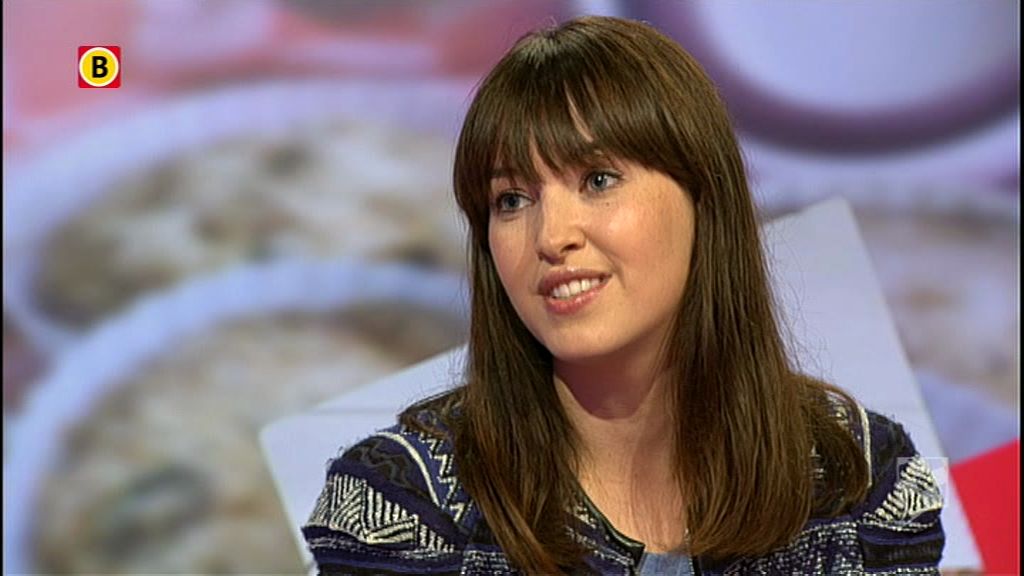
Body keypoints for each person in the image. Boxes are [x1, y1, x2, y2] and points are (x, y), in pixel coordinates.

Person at [302, 15, 945, 575]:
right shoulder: (406, 505)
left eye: (599, 180)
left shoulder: (857, 473)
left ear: (703, 196)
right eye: (512, 199)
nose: (551, 236)